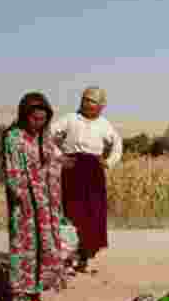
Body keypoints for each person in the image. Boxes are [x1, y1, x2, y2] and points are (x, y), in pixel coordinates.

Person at [2, 92, 69, 301]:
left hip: (46, 207)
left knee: (45, 251)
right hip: (26, 209)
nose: (38, 123)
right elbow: (13, 174)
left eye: (42, 119)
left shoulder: (44, 138)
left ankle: (35, 295)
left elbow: (53, 163)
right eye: (34, 119)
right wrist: (26, 201)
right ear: (24, 116)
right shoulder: (14, 138)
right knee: (26, 252)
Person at [48, 87, 122, 273]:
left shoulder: (105, 125)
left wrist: (108, 162)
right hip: (72, 169)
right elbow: (47, 135)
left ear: (102, 106)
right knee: (72, 212)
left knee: (93, 215)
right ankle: (69, 258)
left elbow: (117, 145)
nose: (87, 104)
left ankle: (85, 257)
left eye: (92, 101)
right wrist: (60, 157)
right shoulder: (70, 119)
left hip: (94, 172)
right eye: (85, 99)